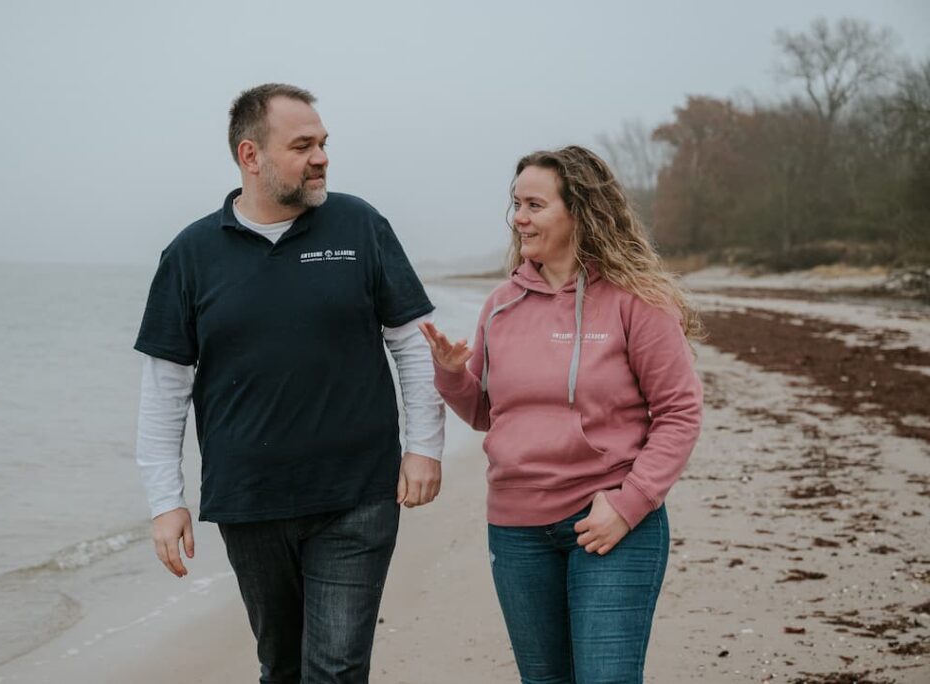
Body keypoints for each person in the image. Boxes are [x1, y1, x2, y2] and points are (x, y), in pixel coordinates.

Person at [133, 83, 445, 684]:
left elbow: (412, 342)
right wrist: (165, 501)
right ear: (251, 156)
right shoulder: (191, 254)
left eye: (324, 143)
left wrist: (424, 446)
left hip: (357, 494)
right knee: (280, 665)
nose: (322, 157)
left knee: (335, 667)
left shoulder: (360, 224)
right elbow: (165, 386)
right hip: (250, 501)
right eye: (302, 145)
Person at [419, 145, 704, 683]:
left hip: (611, 523)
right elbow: (485, 412)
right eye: (515, 204)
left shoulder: (633, 300)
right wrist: (453, 374)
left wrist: (629, 504)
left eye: (534, 205)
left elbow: (680, 411)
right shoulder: (501, 304)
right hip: (516, 529)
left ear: (579, 211)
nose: (519, 218)